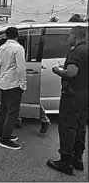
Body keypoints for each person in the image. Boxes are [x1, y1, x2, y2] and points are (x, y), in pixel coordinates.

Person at [46, 26, 88, 176]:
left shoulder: (76, 52)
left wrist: (57, 70)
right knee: (80, 127)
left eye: (69, 36)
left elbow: (71, 73)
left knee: (67, 127)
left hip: (72, 95)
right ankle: (78, 160)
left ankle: (65, 162)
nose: (67, 39)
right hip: (84, 95)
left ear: (75, 36)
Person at [0, 27, 27, 150]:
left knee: (3, 109)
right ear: (17, 36)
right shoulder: (18, 48)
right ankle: (5, 139)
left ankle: (2, 134)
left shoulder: (1, 48)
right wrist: (23, 84)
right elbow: (21, 68)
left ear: (6, 36)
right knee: (12, 112)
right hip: (14, 83)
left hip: (3, 81)